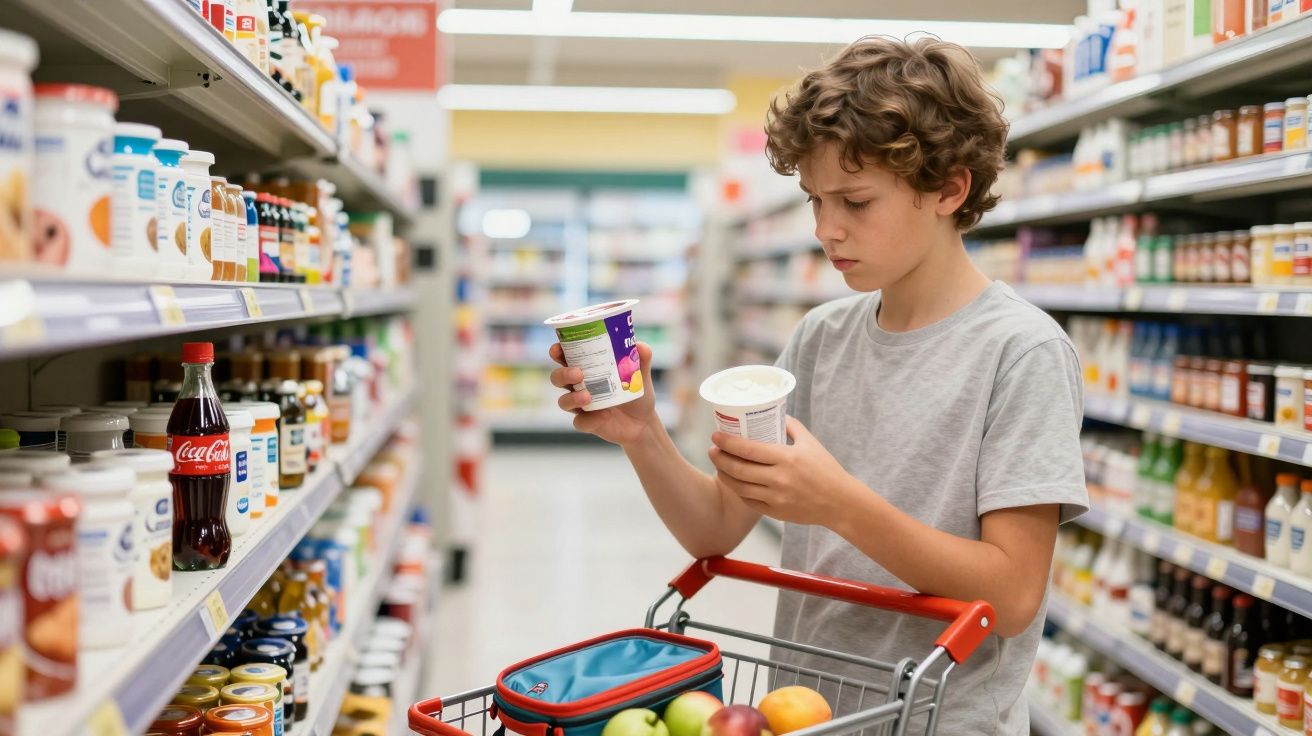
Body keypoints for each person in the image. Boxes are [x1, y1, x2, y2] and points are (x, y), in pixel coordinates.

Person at [548, 35, 1087, 734]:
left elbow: (1012, 596)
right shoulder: (821, 338)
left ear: (950, 188)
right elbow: (714, 529)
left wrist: (838, 504)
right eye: (814, 200)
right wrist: (641, 432)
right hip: (804, 716)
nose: (827, 230)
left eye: (855, 201)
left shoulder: (1023, 352)